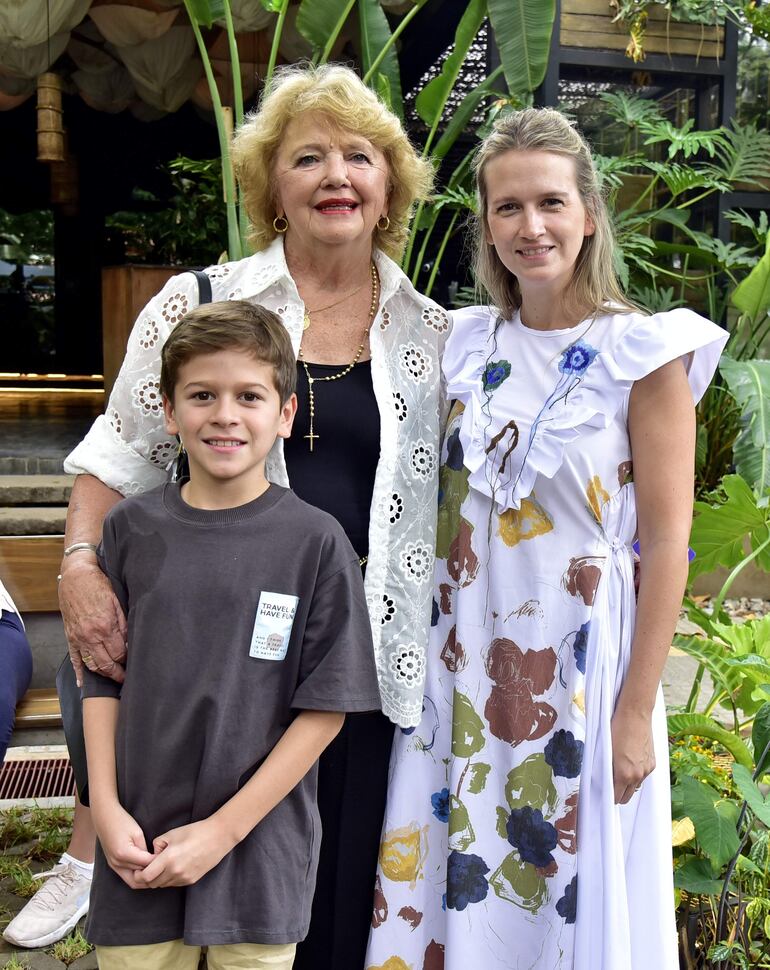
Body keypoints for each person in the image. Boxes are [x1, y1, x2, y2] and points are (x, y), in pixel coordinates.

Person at [31, 63, 446, 969]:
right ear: (273, 193)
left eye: (360, 157)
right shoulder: (200, 301)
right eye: (308, 158)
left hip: (352, 661)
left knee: (330, 890)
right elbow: (117, 454)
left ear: (388, 194)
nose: (337, 174)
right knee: (189, 894)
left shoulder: (435, 334)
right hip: (214, 666)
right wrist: (79, 565)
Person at [365, 107, 728, 970]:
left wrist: (637, 711)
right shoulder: (456, 343)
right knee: (457, 873)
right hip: (459, 665)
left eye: (551, 203)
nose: (531, 227)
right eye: (508, 208)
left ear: (589, 212)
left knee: (558, 880)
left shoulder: (643, 353)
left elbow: (667, 551)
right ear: (486, 226)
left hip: (577, 674)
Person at [80, 300, 381, 969]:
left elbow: (326, 708)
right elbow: (101, 678)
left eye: (249, 395)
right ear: (167, 410)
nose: (224, 415)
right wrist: (104, 810)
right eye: (202, 395)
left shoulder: (315, 543)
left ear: (285, 414)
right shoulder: (129, 531)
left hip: (258, 855)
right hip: (139, 846)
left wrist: (222, 833)